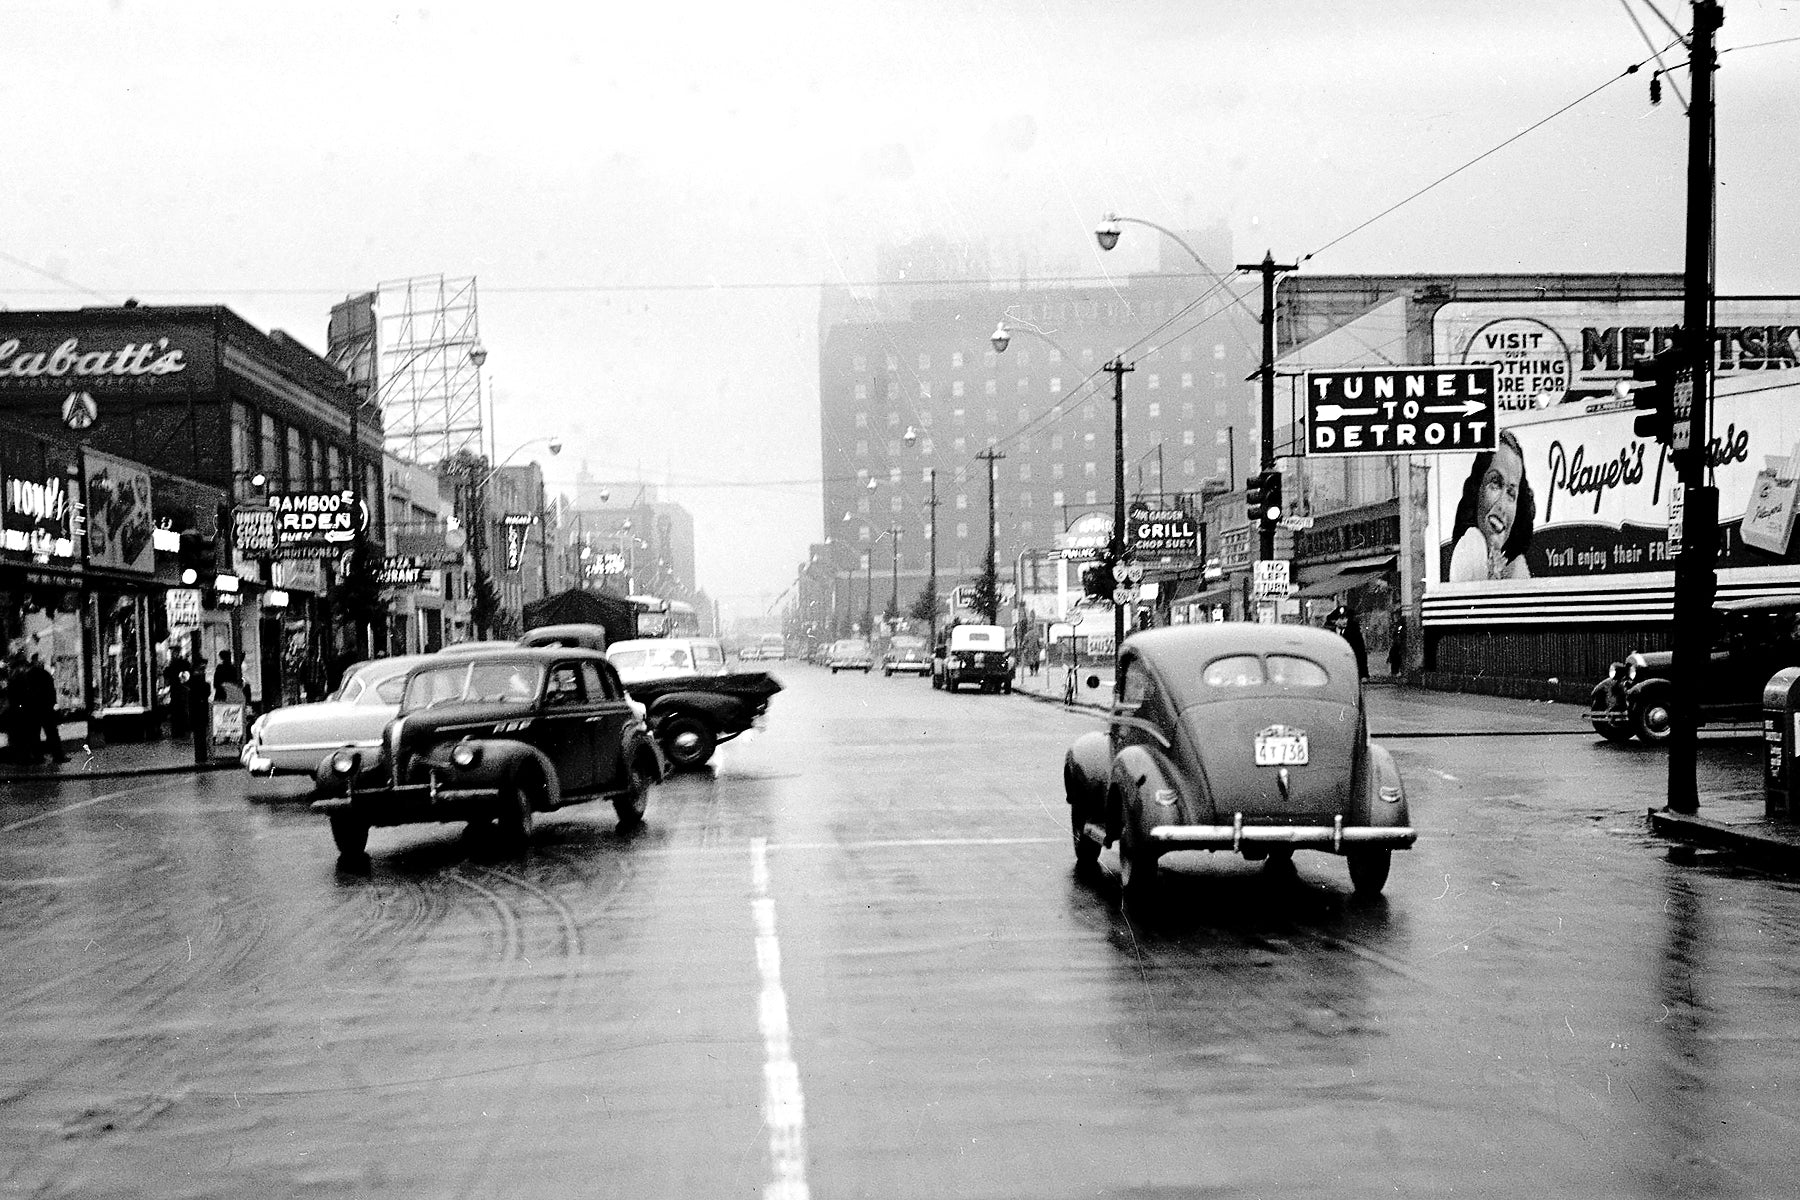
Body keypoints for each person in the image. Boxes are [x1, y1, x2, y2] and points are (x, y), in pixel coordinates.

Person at [1448, 429, 1535, 582]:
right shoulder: (1472, 543)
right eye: (1495, 483)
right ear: (1477, 489)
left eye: (1511, 493)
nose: (1501, 505)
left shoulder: (1517, 568)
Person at [24, 655, 67, 764]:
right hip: (46, 708)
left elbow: (27, 693)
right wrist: (53, 703)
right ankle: (57, 756)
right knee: (51, 733)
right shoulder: (44, 674)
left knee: (35, 734)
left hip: (33, 709)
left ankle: (38, 757)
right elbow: (51, 691)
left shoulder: (28, 675)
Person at [1326, 606, 1369, 680]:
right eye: (1341, 618)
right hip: (1334, 673)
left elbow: (1361, 653)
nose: (1345, 621)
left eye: (1346, 618)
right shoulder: (1329, 634)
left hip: (1350, 672)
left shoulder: (1355, 634)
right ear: (1335, 621)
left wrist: (1364, 674)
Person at [163, 648, 193, 737]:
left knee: (177, 710)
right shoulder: (184, 663)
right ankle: (183, 729)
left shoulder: (173, 664)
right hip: (181, 689)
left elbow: (167, 675)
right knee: (182, 709)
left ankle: (177, 730)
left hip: (177, 689)